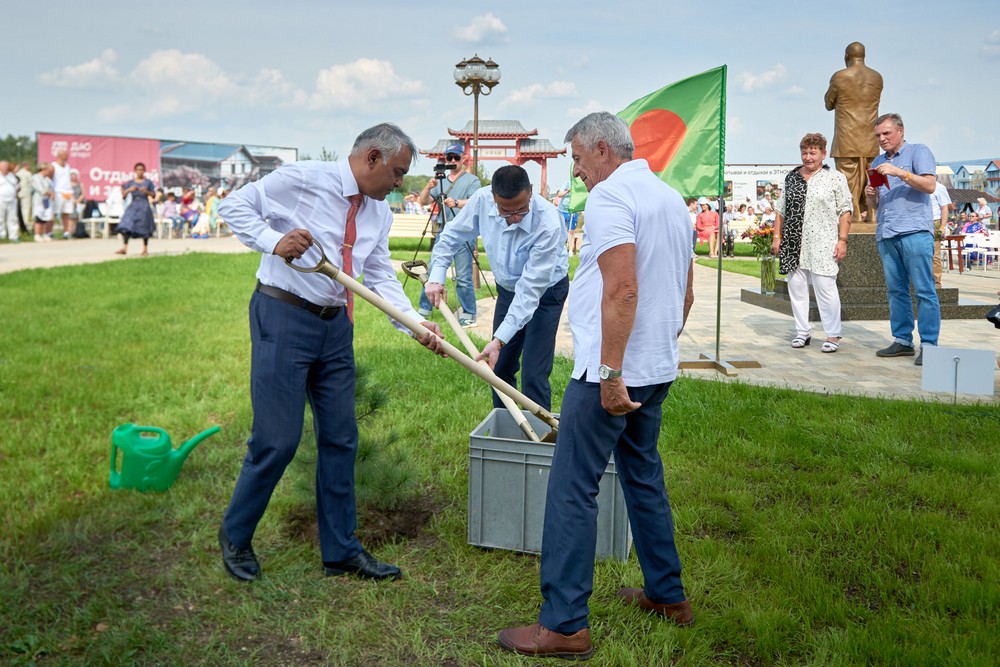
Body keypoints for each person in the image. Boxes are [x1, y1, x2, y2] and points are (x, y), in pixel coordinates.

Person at [498, 112, 695, 660]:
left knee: (571, 488)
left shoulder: (611, 197)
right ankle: (668, 595)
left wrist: (610, 373)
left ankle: (564, 625)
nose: (578, 171)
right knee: (642, 476)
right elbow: (685, 294)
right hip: (654, 369)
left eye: (579, 159)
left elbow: (623, 289)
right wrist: (656, 351)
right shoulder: (671, 199)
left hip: (610, 373)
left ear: (603, 149)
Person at [217, 123, 444, 584]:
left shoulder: (377, 212)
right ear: (372, 158)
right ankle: (235, 536)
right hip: (283, 315)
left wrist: (413, 324)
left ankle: (340, 550)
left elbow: (377, 276)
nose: (401, 182)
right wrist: (273, 241)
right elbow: (233, 205)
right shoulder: (303, 178)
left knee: (341, 439)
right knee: (277, 440)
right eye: (398, 172)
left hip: (335, 327)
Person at [425, 165, 569, 411]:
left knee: (534, 372)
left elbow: (529, 291)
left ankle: (538, 432)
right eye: (505, 211)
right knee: (498, 366)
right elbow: (451, 236)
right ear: (493, 197)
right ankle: (506, 426)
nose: (514, 217)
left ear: (530, 191)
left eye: (521, 210)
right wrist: (437, 276)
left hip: (546, 293)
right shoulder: (481, 200)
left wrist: (499, 339)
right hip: (507, 289)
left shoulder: (548, 222)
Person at [865, 113, 939, 367]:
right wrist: (870, 195)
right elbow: (876, 204)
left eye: (886, 133)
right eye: (878, 135)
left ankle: (929, 344)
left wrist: (900, 172)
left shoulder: (919, 151)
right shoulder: (877, 161)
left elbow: (929, 185)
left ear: (900, 131)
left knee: (924, 289)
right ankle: (903, 340)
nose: (882, 139)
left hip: (914, 231)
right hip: (887, 232)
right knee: (896, 290)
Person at [772, 133, 853, 353]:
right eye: (805, 152)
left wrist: (843, 240)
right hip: (793, 242)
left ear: (823, 154)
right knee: (797, 289)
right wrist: (777, 237)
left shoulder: (835, 178)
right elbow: (780, 210)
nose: (808, 157)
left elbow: (845, 210)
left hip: (823, 242)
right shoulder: (791, 177)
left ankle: (833, 334)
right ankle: (802, 331)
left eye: (813, 153)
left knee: (826, 288)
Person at [416, 143, 480, 326]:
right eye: (449, 157)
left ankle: (468, 313)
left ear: (463, 159)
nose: (452, 160)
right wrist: (429, 187)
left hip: (464, 233)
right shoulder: (440, 180)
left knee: (463, 276)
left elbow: (475, 202)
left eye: (456, 157)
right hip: (443, 232)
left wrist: (457, 202)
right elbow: (424, 201)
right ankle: (424, 308)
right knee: (432, 270)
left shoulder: (472, 180)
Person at [825, 42, 883, 224]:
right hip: (871, 137)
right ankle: (873, 213)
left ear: (846, 57)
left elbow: (828, 103)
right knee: (874, 177)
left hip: (847, 137)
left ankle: (854, 213)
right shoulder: (877, 77)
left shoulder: (840, 77)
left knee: (847, 179)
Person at [115, 163, 157, 256]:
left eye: (141, 169)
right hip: (133, 205)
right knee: (126, 225)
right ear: (135, 171)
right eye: (138, 170)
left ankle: (145, 249)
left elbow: (154, 195)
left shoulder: (148, 182)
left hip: (144, 206)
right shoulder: (130, 182)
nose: (140, 171)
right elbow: (123, 196)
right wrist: (129, 190)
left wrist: (147, 192)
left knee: (144, 226)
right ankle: (124, 247)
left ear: (144, 171)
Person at [929, 181, 952, 288]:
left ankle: (936, 281)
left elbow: (944, 208)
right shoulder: (915, 185)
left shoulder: (939, 187)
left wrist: (942, 226)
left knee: (935, 254)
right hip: (919, 220)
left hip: (935, 221)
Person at [51, 149, 75, 239]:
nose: (67, 156)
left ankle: (66, 232)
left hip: (68, 193)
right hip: (58, 192)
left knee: (66, 213)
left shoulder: (67, 166)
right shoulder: (53, 166)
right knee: (54, 213)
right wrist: (52, 191)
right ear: (59, 155)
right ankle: (50, 232)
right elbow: (50, 180)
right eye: (65, 154)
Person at [555, 179, 580, 255]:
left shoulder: (580, 185)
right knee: (561, 230)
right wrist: (568, 191)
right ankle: (560, 248)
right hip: (562, 210)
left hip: (573, 211)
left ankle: (570, 250)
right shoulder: (567, 183)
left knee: (571, 231)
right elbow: (559, 194)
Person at [30, 163, 54, 242]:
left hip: (46, 200)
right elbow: (40, 189)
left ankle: (44, 234)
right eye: (47, 169)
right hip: (38, 200)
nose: (48, 171)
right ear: (43, 169)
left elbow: (51, 187)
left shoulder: (47, 179)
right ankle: (37, 235)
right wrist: (49, 193)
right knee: (38, 217)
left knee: (45, 217)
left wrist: (51, 193)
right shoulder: (35, 177)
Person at [0, 161, 19, 242]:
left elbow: (16, 186)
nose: (5, 168)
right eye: (3, 166)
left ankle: (13, 236)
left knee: (13, 218)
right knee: (0, 218)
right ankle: (2, 235)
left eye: (6, 166)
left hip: (12, 200)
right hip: (1, 199)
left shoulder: (12, 176)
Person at [16, 162, 33, 236]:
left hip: (18, 193)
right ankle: (24, 225)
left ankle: (18, 225)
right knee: (25, 210)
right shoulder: (28, 173)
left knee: (19, 211)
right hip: (26, 193)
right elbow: (32, 183)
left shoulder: (18, 173)